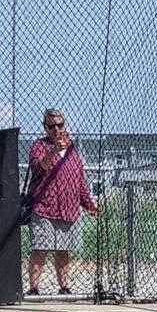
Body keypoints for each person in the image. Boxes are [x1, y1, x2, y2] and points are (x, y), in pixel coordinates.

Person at [25, 108, 98, 295]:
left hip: (68, 209)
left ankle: (64, 287)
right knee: (41, 248)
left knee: (63, 250)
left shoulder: (73, 149)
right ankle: (34, 288)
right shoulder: (39, 146)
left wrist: (89, 203)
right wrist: (54, 150)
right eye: (52, 126)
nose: (56, 129)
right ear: (46, 128)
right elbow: (39, 168)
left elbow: (79, 180)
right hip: (45, 208)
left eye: (60, 125)